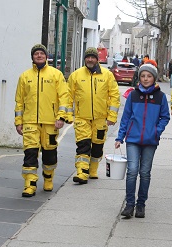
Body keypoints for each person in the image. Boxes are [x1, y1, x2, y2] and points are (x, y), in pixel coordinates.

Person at [115, 63, 170, 218]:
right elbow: (125, 118)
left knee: (145, 172)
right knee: (132, 171)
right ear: (139, 78)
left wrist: (156, 131)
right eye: (143, 76)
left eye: (149, 76)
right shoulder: (133, 95)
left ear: (154, 78)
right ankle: (129, 204)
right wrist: (120, 137)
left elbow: (164, 117)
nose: (146, 79)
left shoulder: (160, 97)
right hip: (132, 139)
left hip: (150, 141)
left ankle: (141, 205)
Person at [14, 44, 69, 197]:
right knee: (30, 153)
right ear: (32, 57)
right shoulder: (25, 76)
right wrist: (19, 121)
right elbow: (19, 101)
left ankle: (48, 179)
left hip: (51, 123)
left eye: (41, 53)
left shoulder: (56, 75)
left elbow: (64, 98)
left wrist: (61, 117)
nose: (39, 56)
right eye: (36, 54)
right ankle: (30, 184)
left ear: (46, 56)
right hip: (30, 122)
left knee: (49, 154)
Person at [68, 47, 120, 184]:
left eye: (93, 57)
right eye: (88, 57)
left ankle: (93, 170)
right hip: (82, 118)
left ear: (97, 59)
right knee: (83, 145)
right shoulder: (76, 75)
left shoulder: (107, 75)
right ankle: (82, 172)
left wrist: (112, 116)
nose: (90, 59)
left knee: (97, 147)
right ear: (85, 58)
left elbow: (114, 96)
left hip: (100, 119)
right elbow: (68, 96)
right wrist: (67, 115)